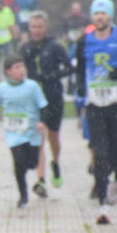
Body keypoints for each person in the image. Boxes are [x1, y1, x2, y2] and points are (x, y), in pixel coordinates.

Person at [72, 0, 117, 225]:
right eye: (96, 13)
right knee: (99, 152)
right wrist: (80, 86)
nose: (100, 17)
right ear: (92, 17)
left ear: (110, 16)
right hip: (94, 103)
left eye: (103, 13)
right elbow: (80, 69)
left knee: (115, 151)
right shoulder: (85, 41)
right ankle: (103, 205)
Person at [0, 55, 48, 208]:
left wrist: (42, 121)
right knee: (19, 162)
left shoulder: (32, 86)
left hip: (32, 131)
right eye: (17, 68)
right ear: (8, 71)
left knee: (33, 163)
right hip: (13, 133)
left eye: (22, 67)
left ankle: (31, 170)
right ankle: (23, 195)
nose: (21, 70)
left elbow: (43, 106)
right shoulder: (2, 88)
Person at [21, 11, 71, 190]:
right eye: (33, 27)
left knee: (53, 136)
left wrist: (53, 75)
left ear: (46, 27)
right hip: (35, 100)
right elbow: (19, 71)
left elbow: (68, 68)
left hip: (53, 96)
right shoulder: (25, 48)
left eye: (40, 26)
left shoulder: (55, 47)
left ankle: (55, 162)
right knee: (38, 137)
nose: (37, 30)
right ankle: (40, 179)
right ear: (29, 28)